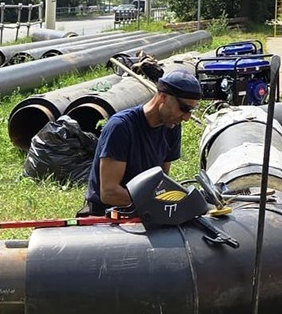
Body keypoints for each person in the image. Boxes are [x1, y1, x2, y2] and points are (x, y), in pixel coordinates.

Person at [77, 69, 202, 217]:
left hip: (144, 211)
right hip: (107, 215)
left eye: (191, 110)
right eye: (184, 108)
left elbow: (161, 181)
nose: (187, 117)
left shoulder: (172, 126)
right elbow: (109, 193)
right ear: (163, 97)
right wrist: (158, 203)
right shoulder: (121, 127)